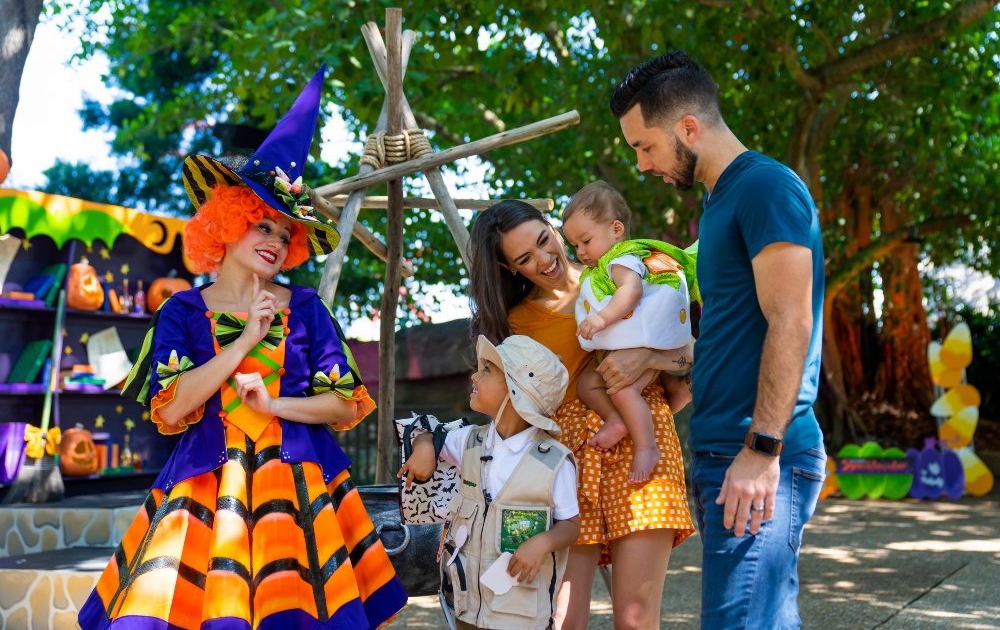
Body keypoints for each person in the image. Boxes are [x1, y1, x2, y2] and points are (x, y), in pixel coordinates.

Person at [77, 68, 408, 630]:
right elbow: (175, 406)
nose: (275, 242)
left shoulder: (306, 309)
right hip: (206, 492)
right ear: (226, 225)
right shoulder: (182, 311)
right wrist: (246, 342)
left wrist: (273, 407)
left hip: (300, 491)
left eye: (285, 234)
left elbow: (345, 406)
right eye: (262, 226)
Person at [610, 50, 826, 629]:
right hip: (721, 449)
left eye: (643, 146)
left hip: (755, 452)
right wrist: (655, 359)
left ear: (688, 128)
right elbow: (734, 336)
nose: (641, 164)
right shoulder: (719, 203)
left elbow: (792, 322)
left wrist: (760, 451)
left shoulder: (764, 188)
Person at [467, 201, 695, 630]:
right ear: (508, 267)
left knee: (635, 619)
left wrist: (647, 356)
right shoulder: (513, 324)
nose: (545, 259)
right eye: (524, 258)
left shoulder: (619, 274)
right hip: (567, 458)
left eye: (543, 240)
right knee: (560, 619)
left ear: (553, 227)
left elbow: (686, 354)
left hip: (643, 446)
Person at [399, 335, 581, 630]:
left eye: (487, 370)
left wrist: (542, 542)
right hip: (467, 607)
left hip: (521, 614)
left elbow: (571, 525)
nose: (474, 375)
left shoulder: (554, 462)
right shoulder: (469, 442)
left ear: (515, 391)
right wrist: (423, 446)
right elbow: (426, 428)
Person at [562, 180, 698, 484]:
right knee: (588, 384)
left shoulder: (622, 259)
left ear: (617, 229)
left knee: (623, 389)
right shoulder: (600, 268)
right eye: (574, 245)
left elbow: (631, 291)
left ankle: (646, 448)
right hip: (625, 353)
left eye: (585, 241)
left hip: (648, 346)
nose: (581, 251)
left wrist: (601, 319)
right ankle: (617, 419)